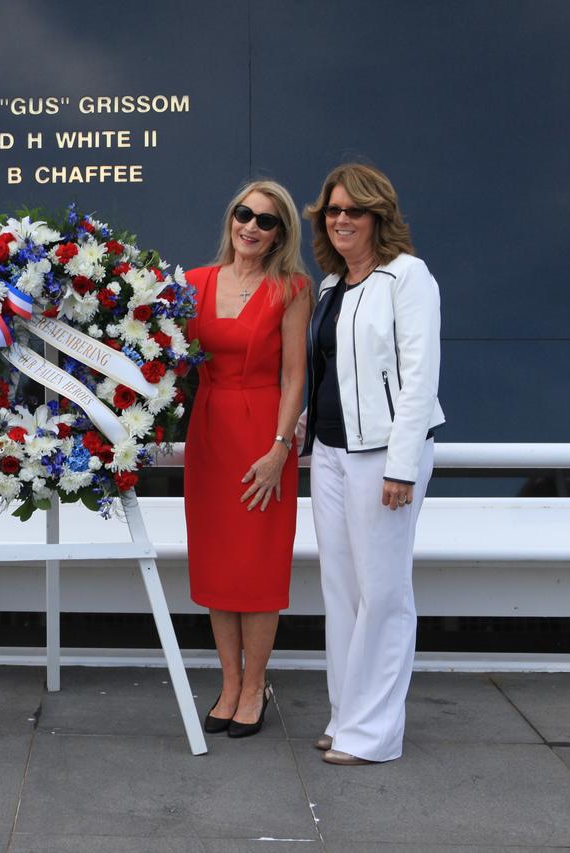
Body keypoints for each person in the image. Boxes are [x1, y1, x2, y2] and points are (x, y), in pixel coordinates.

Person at [300, 163, 446, 765]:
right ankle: (347, 718)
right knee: (341, 591)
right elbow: (329, 375)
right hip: (331, 455)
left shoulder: (407, 277)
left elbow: (418, 380)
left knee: (383, 594)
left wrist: (402, 466)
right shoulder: (334, 286)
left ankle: (376, 735)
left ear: (377, 217)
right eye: (332, 211)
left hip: (384, 456)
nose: (340, 220)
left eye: (353, 211)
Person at [184, 180, 310, 738]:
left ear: (281, 233)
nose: (251, 227)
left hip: (264, 435)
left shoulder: (293, 288)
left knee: (256, 565)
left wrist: (279, 451)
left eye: (266, 221)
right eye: (244, 214)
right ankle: (229, 683)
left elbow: (294, 376)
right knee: (217, 563)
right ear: (230, 217)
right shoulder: (192, 283)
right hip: (209, 432)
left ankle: (255, 687)